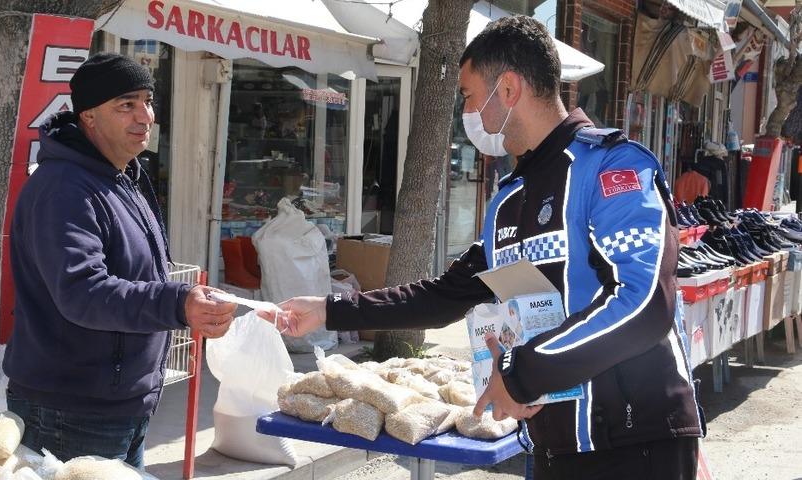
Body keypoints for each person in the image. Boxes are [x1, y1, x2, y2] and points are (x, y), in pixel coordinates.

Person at [263, 16, 702, 480]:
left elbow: (645, 302)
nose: (467, 112)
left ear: (508, 89)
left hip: (635, 443)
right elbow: (444, 296)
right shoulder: (509, 200)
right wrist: (331, 311)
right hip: (551, 443)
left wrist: (522, 372)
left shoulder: (613, 169)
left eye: (469, 96)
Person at [3, 53, 237, 468]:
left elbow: (137, 270)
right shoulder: (65, 189)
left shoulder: (123, 176)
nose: (144, 116)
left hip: (122, 401)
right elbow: (83, 292)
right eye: (126, 105)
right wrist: (177, 303)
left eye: (147, 101)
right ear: (89, 116)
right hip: (73, 409)